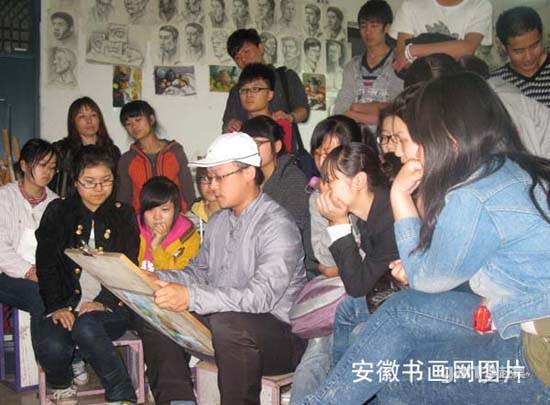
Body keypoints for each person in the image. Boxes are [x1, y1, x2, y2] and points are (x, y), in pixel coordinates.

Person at [302, 72, 550, 404]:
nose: (402, 150)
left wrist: (400, 196)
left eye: (410, 136)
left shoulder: (473, 193)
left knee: (393, 376)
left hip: (536, 353)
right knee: (397, 315)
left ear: (446, 135)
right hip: (518, 317)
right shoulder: (508, 171)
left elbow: (425, 278)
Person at [143, 133, 307, 404]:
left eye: (220, 177)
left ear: (249, 173)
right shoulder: (219, 222)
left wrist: (191, 297)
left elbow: (260, 297)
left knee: (229, 324)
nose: (212, 187)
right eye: (209, 178)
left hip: (280, 339)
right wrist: (155, 278)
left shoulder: (277, 225)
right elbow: (197, 273)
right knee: (155, 309)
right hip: (226, 330)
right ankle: (178, 401)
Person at [291, 141, 400, 404]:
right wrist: (337, 221)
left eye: (330, 181)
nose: (323, 189)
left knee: (354, 328)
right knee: (342, 317)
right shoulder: (368, 215)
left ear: (359, 181)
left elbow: (358, 284)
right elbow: (354, 281)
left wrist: (338, 222)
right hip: (377, 299)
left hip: (401, 304)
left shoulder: (389, 216)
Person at [35, 145, 139, 404]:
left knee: (87, 326)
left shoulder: (123, 214)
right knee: (52, 346)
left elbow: (127, 268)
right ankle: (62, 383)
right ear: (75, 181)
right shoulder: (58, 211)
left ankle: (122, 395)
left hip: (111, 305)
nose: (99, 188)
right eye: (89, 182)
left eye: (106, 180)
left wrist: (103, 302)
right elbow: (46, 264)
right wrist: (57, 306)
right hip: (65, 303)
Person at [0, 139, 57, 360]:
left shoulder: (56, 204)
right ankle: (46, 364)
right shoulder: (5, 197)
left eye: (52, 167)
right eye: (42, 165)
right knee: (40, 296)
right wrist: (28, 271)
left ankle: (68, 357)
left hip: (42, 274)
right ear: (24, 165)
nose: (48, 172)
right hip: (6, 274)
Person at [241, 116, 313, 272]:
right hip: (257, 259)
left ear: (277, 146)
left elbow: (292, 231)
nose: (249, 150)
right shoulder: (246, 178)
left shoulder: (293, 178)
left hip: (290, 266)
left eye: (257, 144)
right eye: (245, 144)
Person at [223, 29, 309, 138]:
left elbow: (303, 110)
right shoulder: (236, 91)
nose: (243, 59)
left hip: (282, 145)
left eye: (246, 51)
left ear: (261, 48)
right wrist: (230, 126)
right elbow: (226, 126)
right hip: (248, 146)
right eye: (237, 57)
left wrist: (290, 117)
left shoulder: (286, 77)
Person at [308, 115, 365, 279]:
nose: (321, 162)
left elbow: (377, 256)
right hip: (345, 279)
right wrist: (332, 217)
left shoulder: (366, 190)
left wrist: (338, 270)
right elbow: (324, 259)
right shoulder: (318, 197)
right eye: (317, 153)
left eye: (330, 154)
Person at [117, 100, 196, 214]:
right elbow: (124, 198)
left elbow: (188, 189)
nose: (134, 126)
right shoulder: (126, 160)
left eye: (138, 120)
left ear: (151, 119)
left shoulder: (175, 152)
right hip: (142, 221)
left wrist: (189, 214)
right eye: (128, 124)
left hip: (175, 218)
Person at [334, 1, 403, 127]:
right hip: (356, 137)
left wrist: (356, 111)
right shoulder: (352, 66)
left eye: (374, 26)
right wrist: (375, 110)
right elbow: (340, 109)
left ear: (387, 28)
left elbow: (397, 109)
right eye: (363, 26)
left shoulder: (398, 63)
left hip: (387, 136)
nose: (368, 32)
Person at [390, 0, 492, 73]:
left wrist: (412, 50)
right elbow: (402, 59)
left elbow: (467, 49)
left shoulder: (479, 5)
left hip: (461, 84)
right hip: (419, 86)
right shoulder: (410, 5)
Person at [49, 97, 121, 199]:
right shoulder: (61, 149)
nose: (89, 121)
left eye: (93, 115)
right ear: (73, 122)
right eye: (82, 117)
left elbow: (117, 185)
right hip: (68, 205)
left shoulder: (112, 151)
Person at [138, 176, 200, 272]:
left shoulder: (188, 236)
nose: (157, 217)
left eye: (165, 209)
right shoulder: (131, 229)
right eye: (150, 209)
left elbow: (181, 276)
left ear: (175, 210)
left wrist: (156, 247)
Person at [491, 6, 550, 108]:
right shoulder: (497, 83)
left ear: (541, 37)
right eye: (518, 51)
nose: (529, 57)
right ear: (503, 47)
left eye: (534, 46)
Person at [237, 63, 293, 153]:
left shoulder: (280, 124)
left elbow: (284, 158)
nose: (248, 94)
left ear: (270, 95)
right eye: (243, 90)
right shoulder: (237, 127)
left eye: (255, 89)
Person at [189, 167, 220, 242]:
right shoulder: (189, 220)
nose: (210, 185)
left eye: (217, 179)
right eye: (204, 179)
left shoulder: (236, 216)